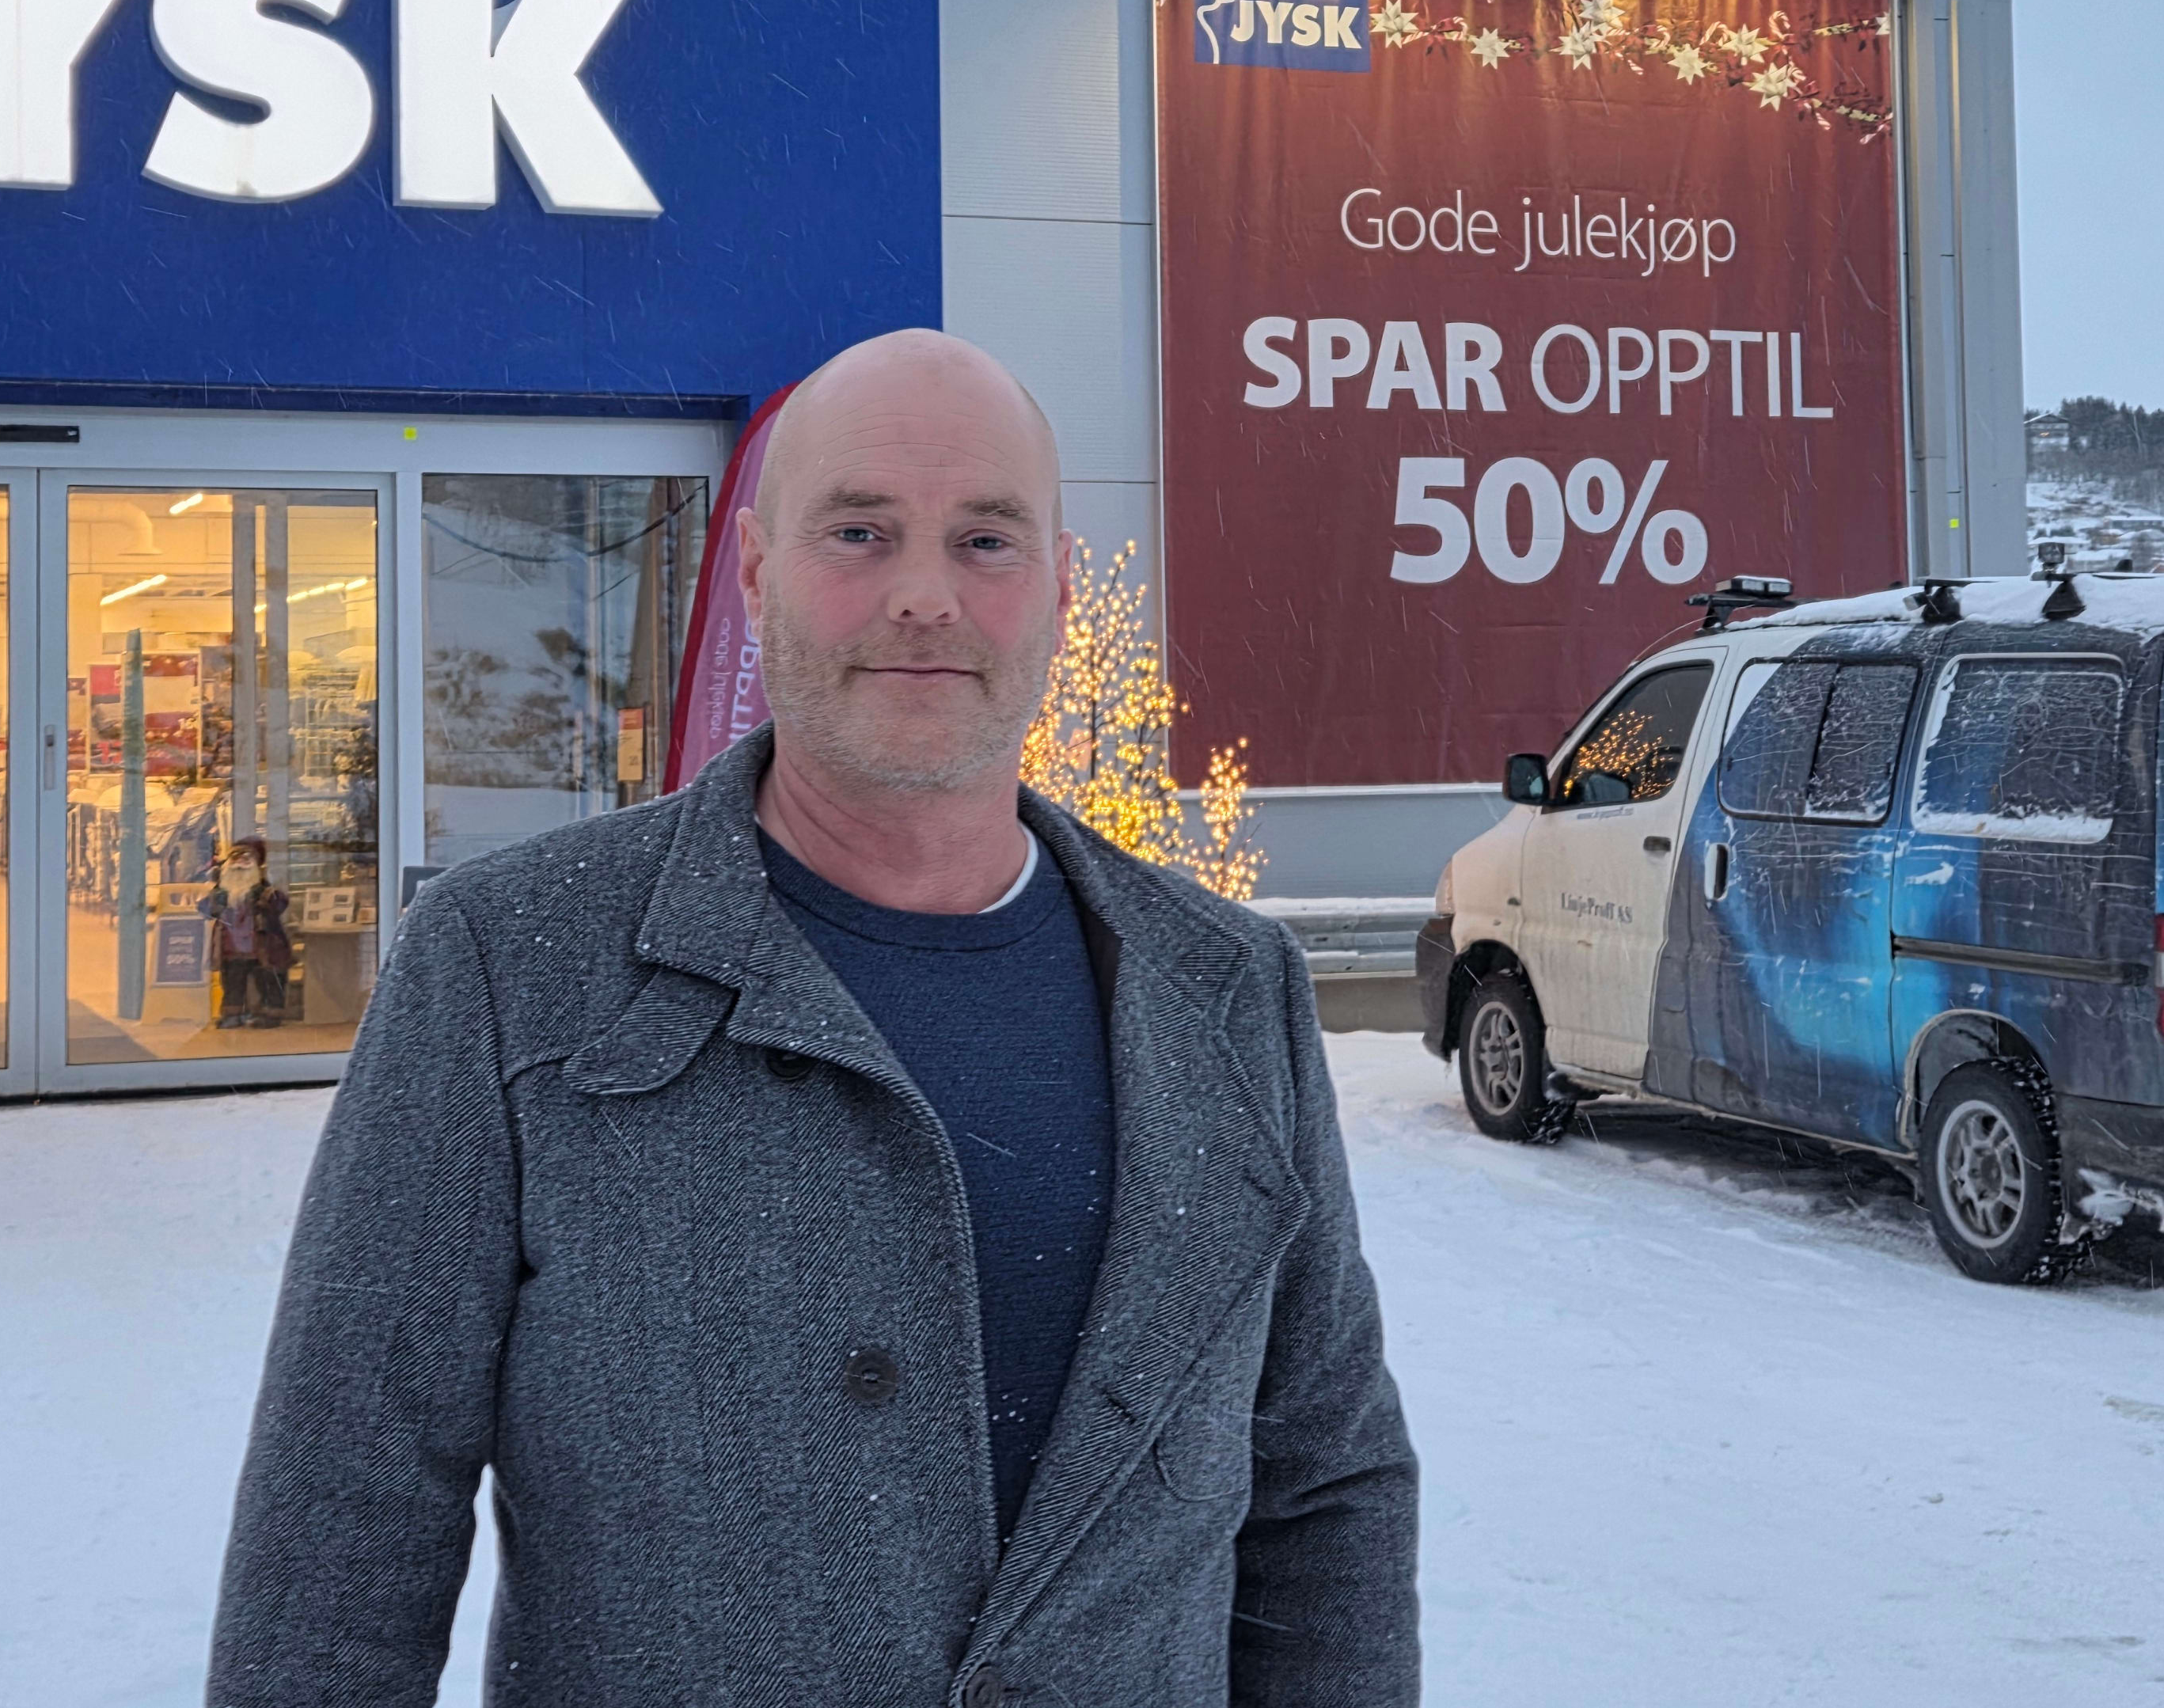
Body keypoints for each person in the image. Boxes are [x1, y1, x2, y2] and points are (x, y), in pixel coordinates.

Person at [208, 331, 1420, 1706]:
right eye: (859, 532)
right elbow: (344, 1525)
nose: (924, 596)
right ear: (755, 570)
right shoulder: (507, 969)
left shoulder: (1229, 991)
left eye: (985, 540)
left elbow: (1324, 1488)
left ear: (1062, 588)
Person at [202, 837, 291, 1029]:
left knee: (267, 981)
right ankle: (232, 1015)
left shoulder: (264, 889)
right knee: (232, 983)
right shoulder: (223, 890)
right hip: (231, 947)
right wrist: (216, 898)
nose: (239, 862)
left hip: (262, 946)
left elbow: (280, 904)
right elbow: (205, 910)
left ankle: (269, 1014)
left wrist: (265, 899)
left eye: (246, 857)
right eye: (235, 857)